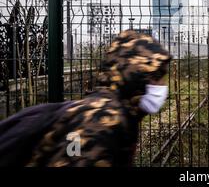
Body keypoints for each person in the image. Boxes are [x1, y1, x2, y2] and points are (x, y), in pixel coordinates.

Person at [0, 30, 171, 167]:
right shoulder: (99, 121)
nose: (162, 84)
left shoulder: (120, 114)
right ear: (135, 75)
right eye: (156, 76)